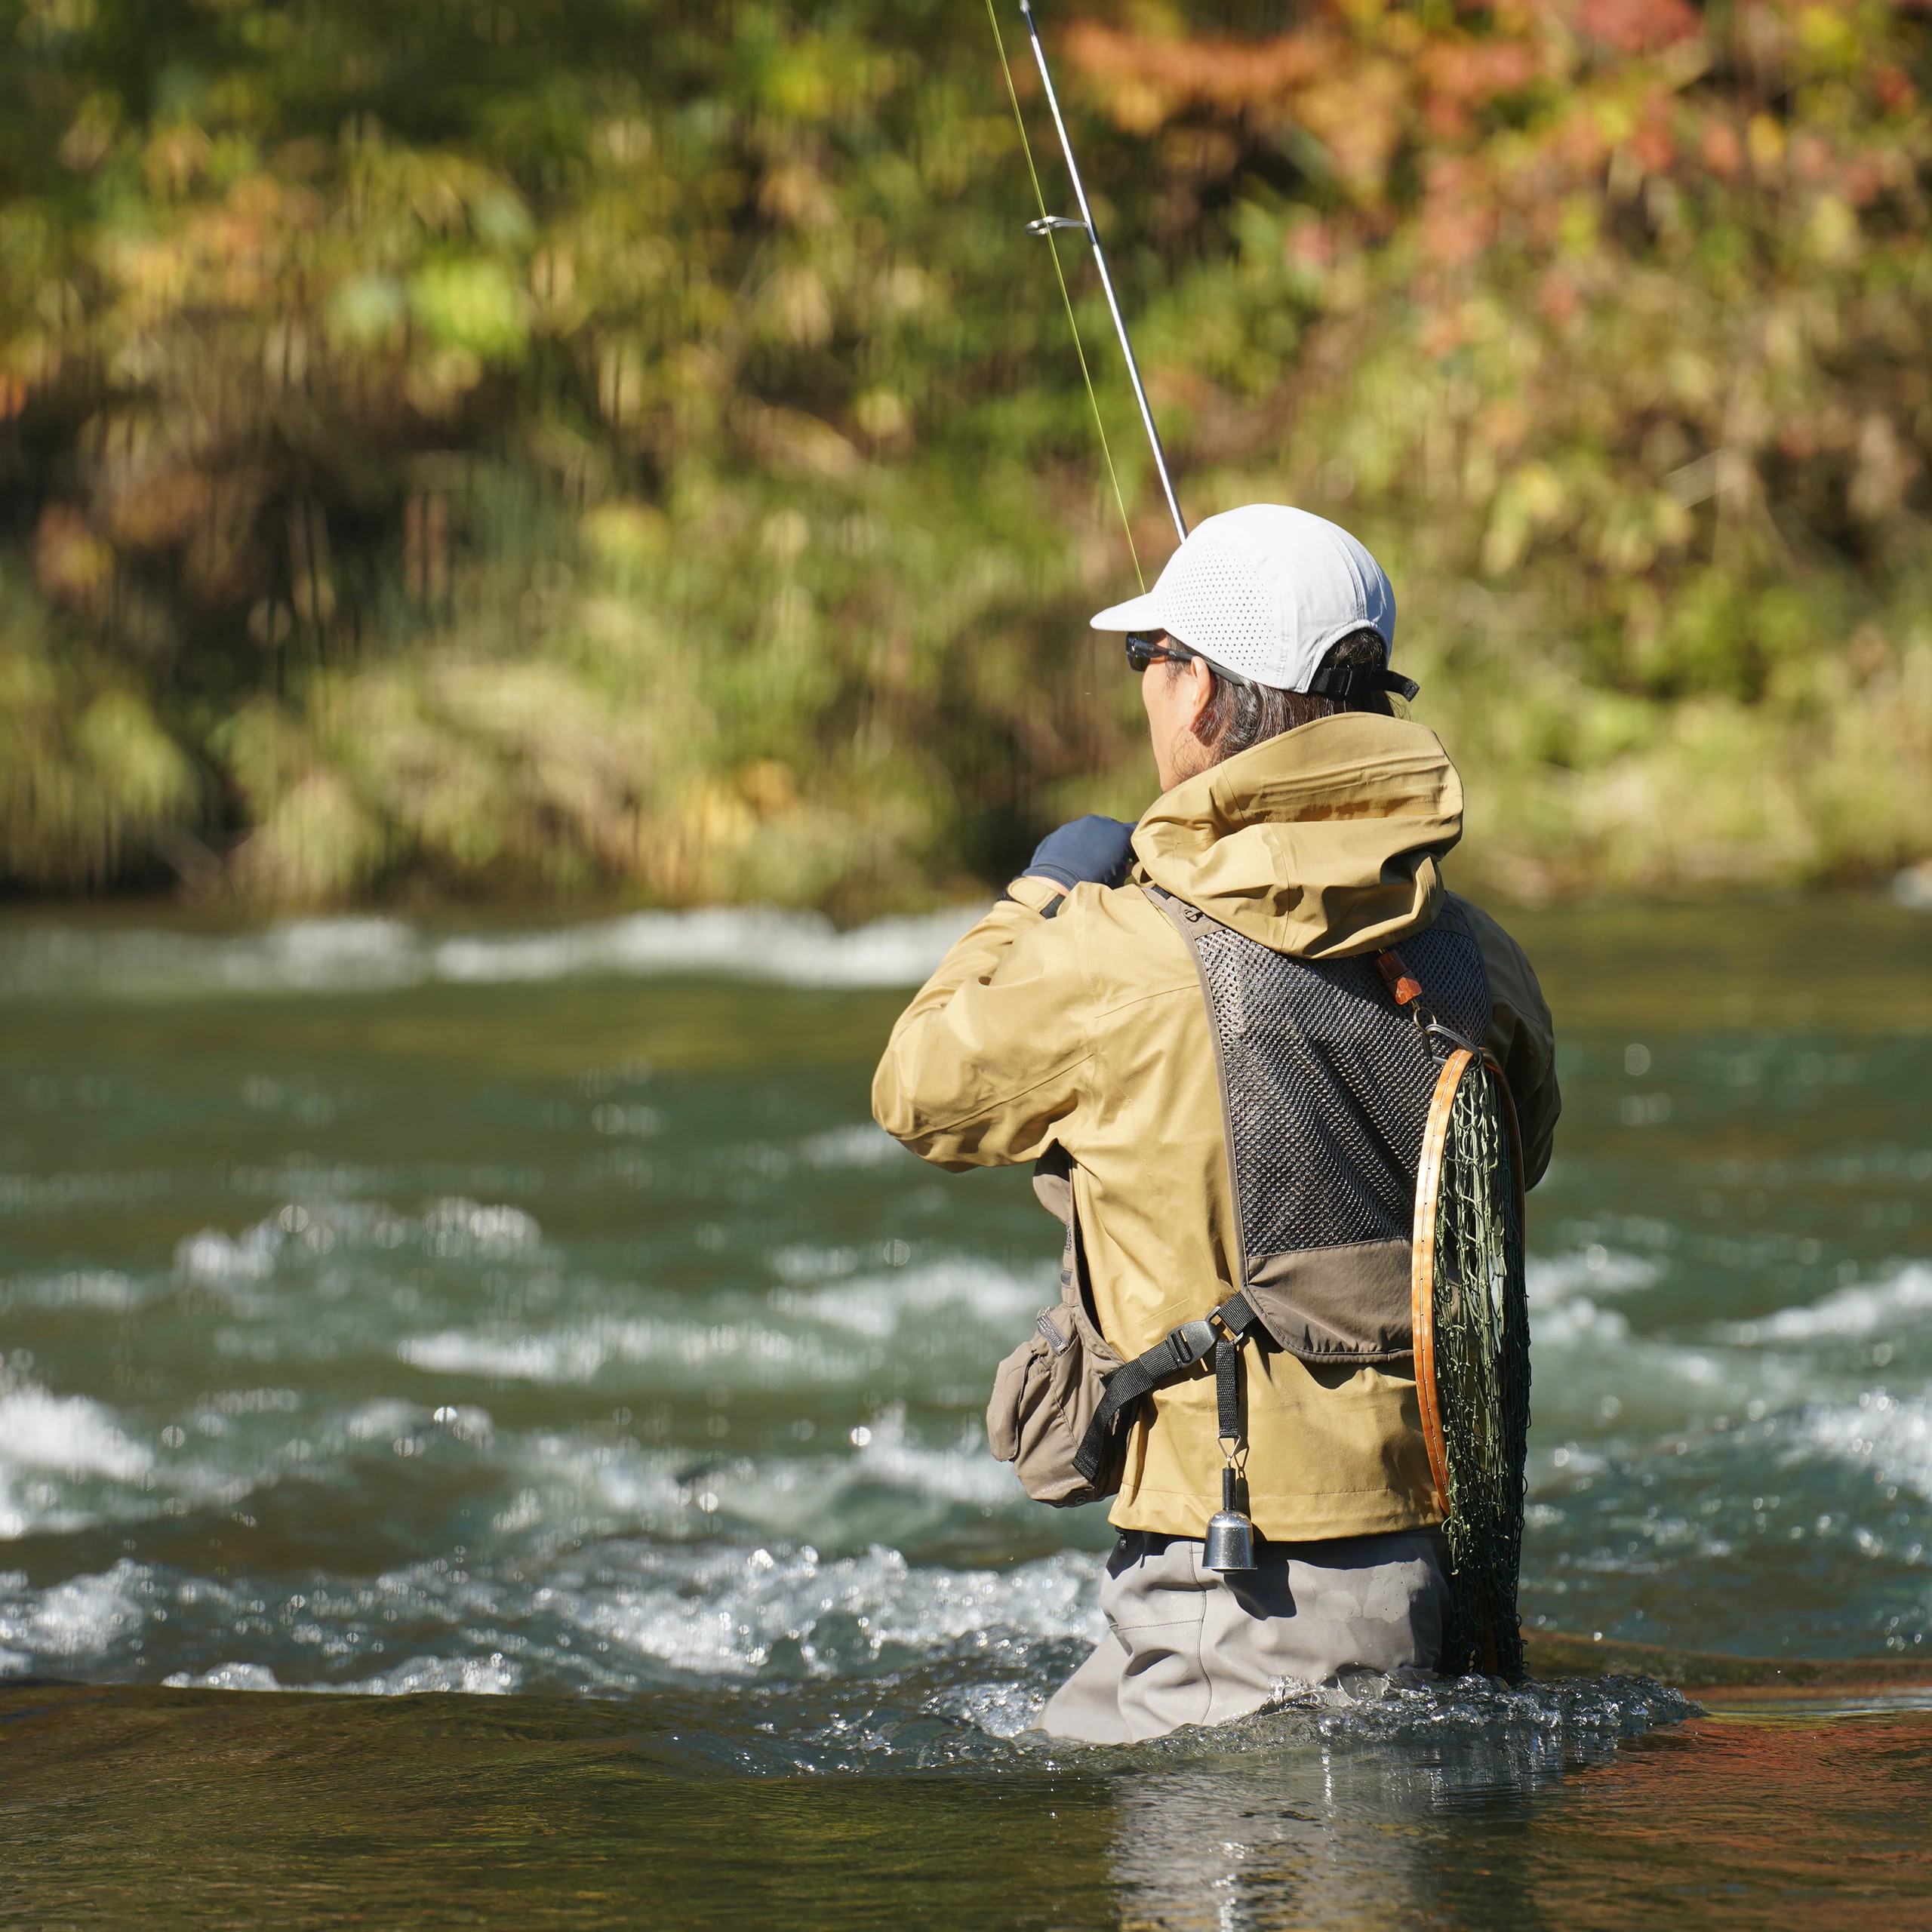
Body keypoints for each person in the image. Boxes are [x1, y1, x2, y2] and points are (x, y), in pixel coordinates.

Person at [871, 504, 1559, 1743]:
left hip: (1242, 1588)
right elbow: (1511, 1168)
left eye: (1152, 658)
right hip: (1446, 1556)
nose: (1146, 690)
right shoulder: (1476, 954)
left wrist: (1042, 893)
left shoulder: (1112, 956)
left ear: (1200, 698)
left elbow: (918, 1086)